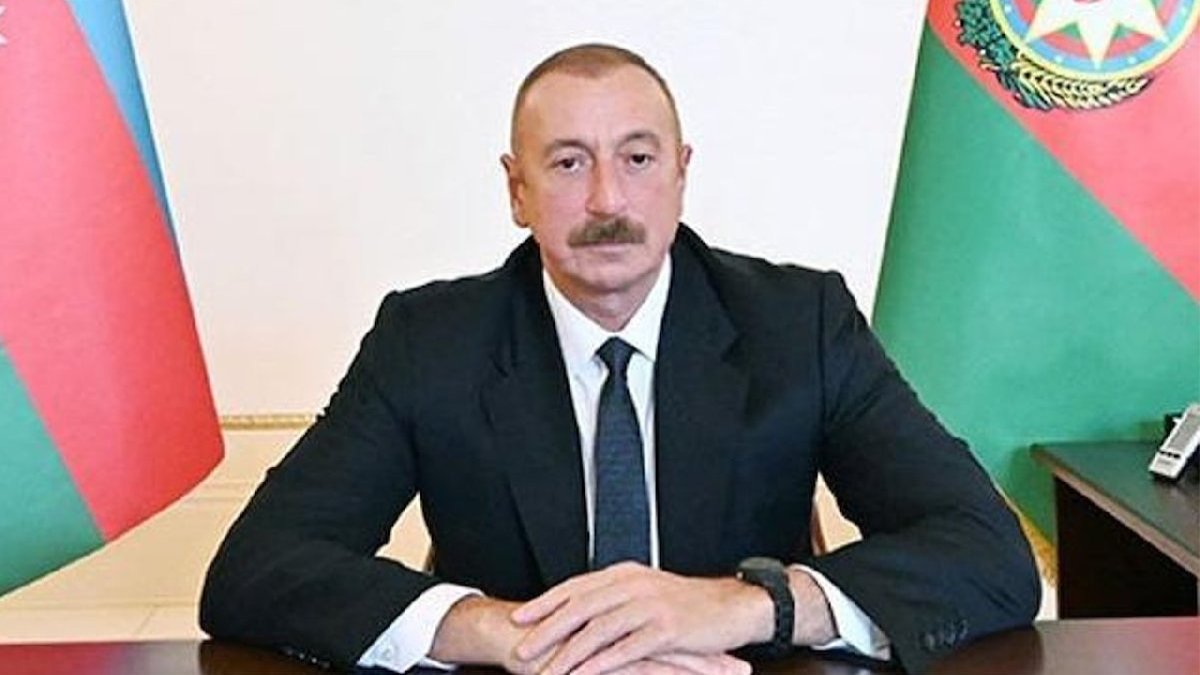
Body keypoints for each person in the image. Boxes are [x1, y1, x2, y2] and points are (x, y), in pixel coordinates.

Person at [200, 43, 1040, 675]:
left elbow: (986, 551)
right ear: (517, 190)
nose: (608, 199)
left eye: (637, 158)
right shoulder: (429, 340)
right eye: (568, 163)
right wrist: (512, 631)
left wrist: (745, 607)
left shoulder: (799, 323)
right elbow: (256, 569)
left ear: (681, 173)